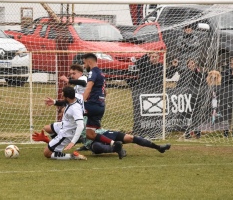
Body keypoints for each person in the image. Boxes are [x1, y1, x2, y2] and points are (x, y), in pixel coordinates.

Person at [32, 115, 171, 157]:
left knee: (131, 138)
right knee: (97, 147)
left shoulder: (81, 114)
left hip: (102, 133)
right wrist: (46, 139)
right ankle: (118, 149)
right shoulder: (64, 126)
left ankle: (158, 147)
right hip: (91, 142)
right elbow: (57, 141)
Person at [82, 53, 124, 158]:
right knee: (89, 134)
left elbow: (88, 88)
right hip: (100, 106)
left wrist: (80, 102)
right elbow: (105, 92)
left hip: (92, 105)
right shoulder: (101, 73)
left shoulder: (92, 72)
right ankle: (114, 144)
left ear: (89, 62)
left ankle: (57, 144)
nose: (83, 66)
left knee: (69, 112)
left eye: (84, 63)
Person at [40, 86, 87, 160]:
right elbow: (64, 102)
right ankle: (56, 145)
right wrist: (55, 102)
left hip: (67, 133)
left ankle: (73, 156)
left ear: (67, 98)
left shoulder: (75, 109)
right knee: (47, 128)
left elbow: (81, 125)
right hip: (65, 124)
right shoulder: (76, 97)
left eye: (63, 96)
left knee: (47, 154)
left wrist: (72, 142)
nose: (62, 97)